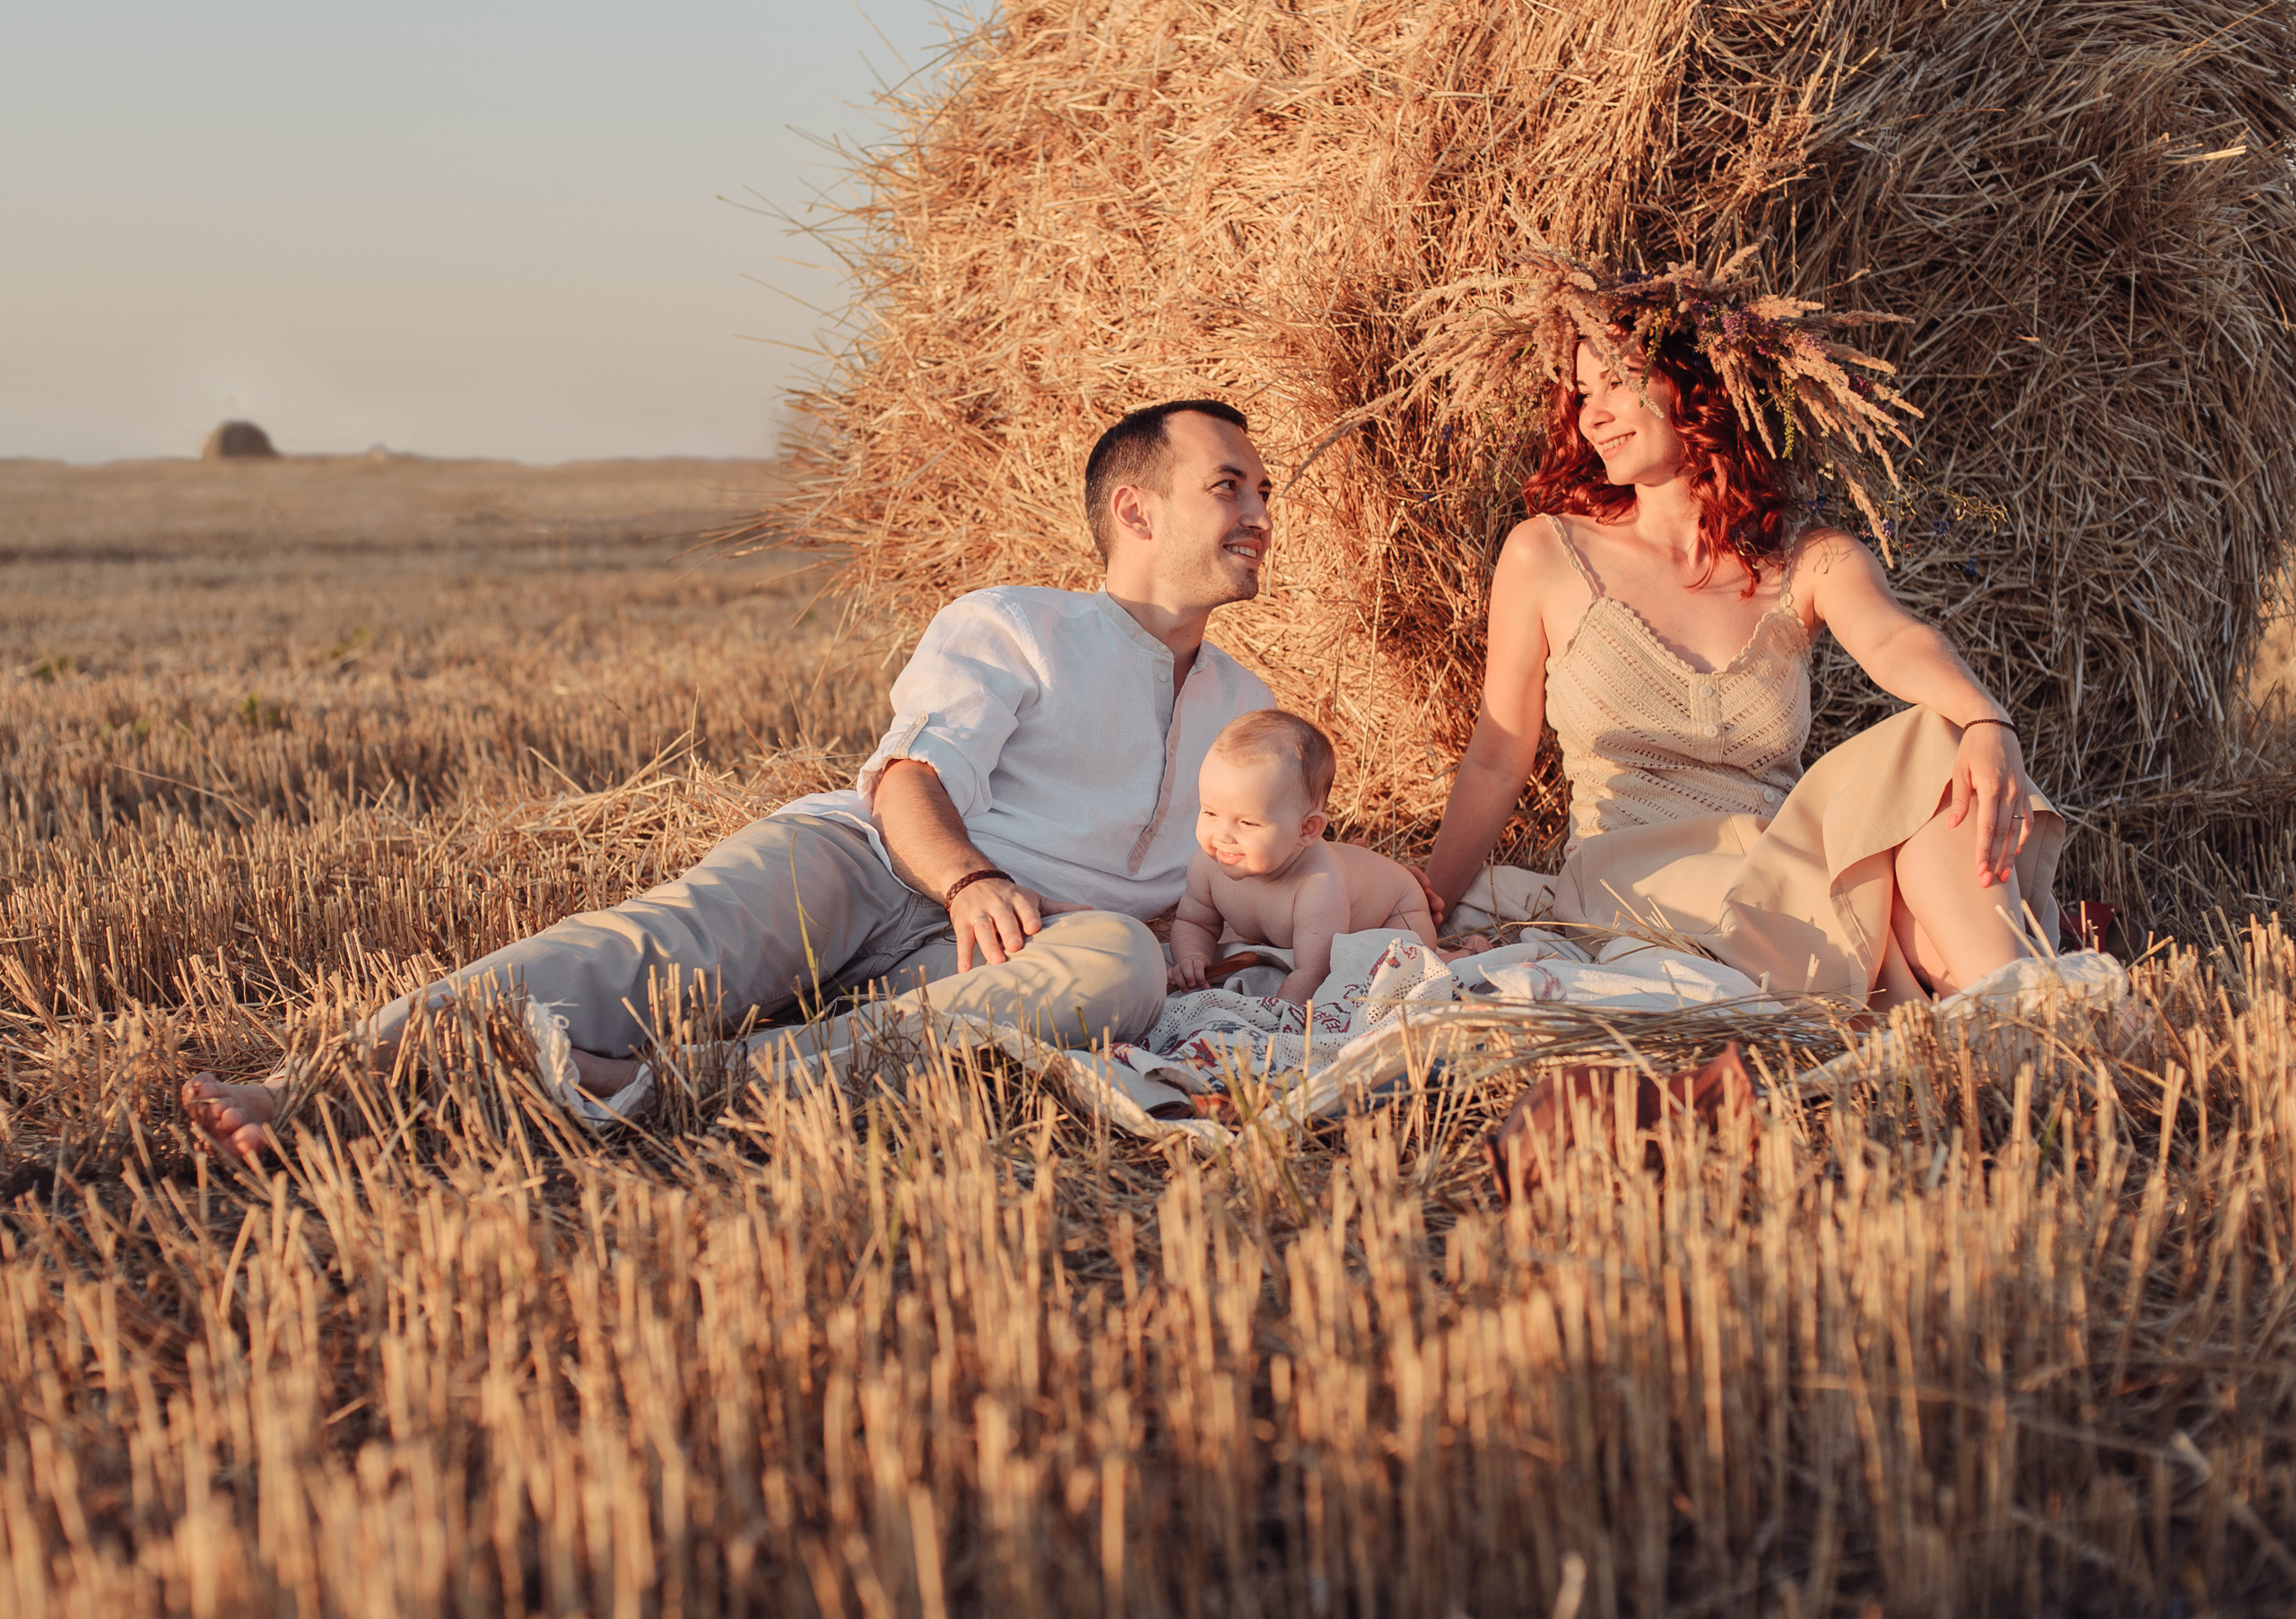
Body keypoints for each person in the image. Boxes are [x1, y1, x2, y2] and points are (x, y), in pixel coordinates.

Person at [183, 399, 1278, 1161]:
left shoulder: (1246, 705)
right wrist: (968, 879)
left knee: (1120, 962)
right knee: (653, 947)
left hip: (1012, 946)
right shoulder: (1015, 621)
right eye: (1228, 487)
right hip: (875, 865)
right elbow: (908, 778)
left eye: (1264, 492)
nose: (1260, 514)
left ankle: (681, 1084)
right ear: (1135, 510)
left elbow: (1243, 872)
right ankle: (317, 1082)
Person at [1416, 256, 2062, 1006]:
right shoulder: (1547, 554)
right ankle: (2004, 1011)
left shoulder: (1808, 559)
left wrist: (1986, 719)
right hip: (1641, 885)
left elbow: (1893, 639)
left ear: (1697, 382)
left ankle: (2008, 1018)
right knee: (1904, 910)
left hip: (1782, 870)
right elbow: (1497, 758)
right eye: (1582, 394)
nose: (1591, 416)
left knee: (1943, 740)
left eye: (1617, 383)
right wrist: (1424, 909)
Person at [1169, 709, 1439, 1005]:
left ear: (1306, 829)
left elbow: (1314, 972)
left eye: (1247, 822)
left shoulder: (1318, 886)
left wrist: (1275, 1015)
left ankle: (1458, 955)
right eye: (1210, 812)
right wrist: (1193, 957)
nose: (1222, 835)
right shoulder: (1206, 867)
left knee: (1395, 973)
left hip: (1396, 909)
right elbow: (1195, 922)